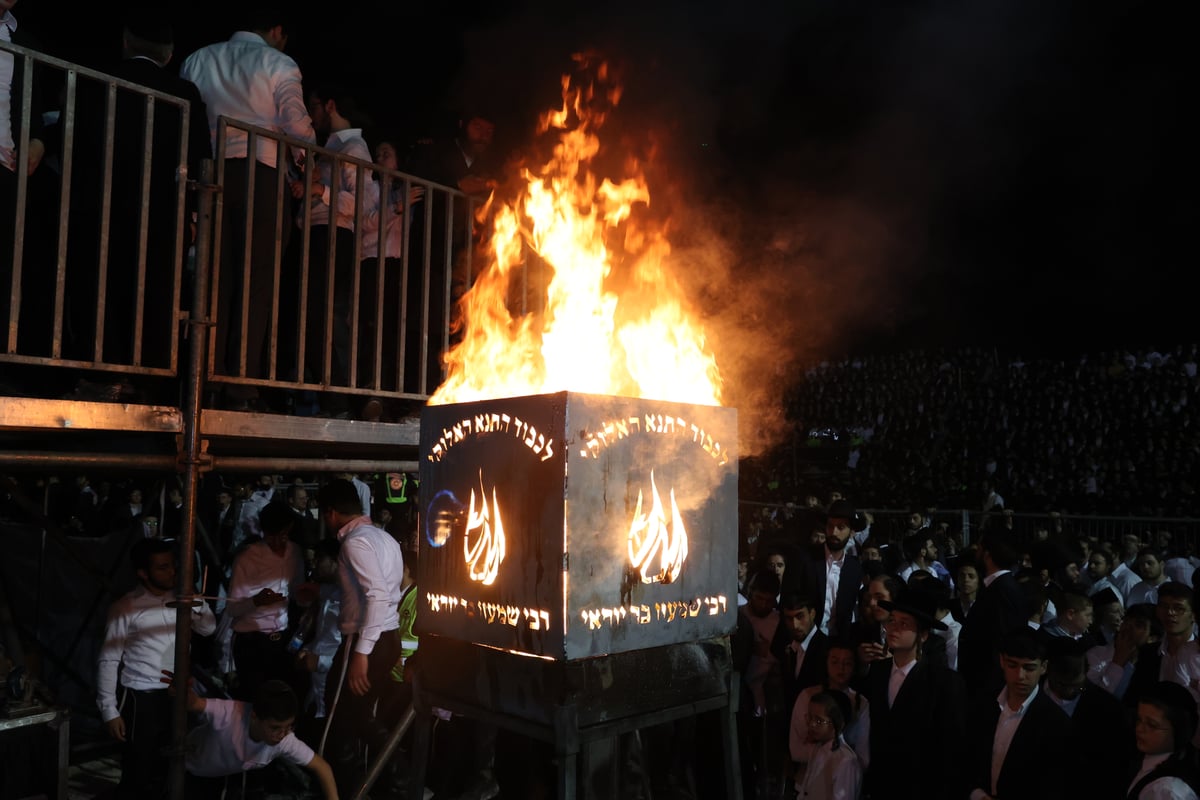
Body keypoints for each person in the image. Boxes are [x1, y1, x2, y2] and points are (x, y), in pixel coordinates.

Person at [179, 3, 316, 405]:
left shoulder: (199, 58)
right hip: (262, 171)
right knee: (257, 278)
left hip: (210, 170)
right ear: (276, 30)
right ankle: (241, 379)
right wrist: (306, 155)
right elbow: (296, 120)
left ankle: (203, 373)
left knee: (210, 274)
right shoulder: (279, 63)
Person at [96, 538, 217, 799]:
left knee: (174, 764)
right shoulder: (126, 606)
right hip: (143, 696)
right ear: (143, 572)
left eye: (172, 566)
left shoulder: (182, 599)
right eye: (162, 567)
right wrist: (109, 710)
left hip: (178, 694)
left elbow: (208, 628)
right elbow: (109, 659)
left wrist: (199, 603)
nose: (171, 572)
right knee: (139, 769)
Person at [319, 477, 405, 797]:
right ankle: (367, 785)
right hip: (384, 637)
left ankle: (394, 778)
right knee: (352, 714)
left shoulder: (355, 542)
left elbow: (378, 596)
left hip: (371, 641)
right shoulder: (382, 537)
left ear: (330, 513)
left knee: (343, 712)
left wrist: (360, 653)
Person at [861, 586, 966, 800]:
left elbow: (949, 750)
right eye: (892, 621)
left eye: (904, 623)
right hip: (882, 787)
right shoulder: (879, 672)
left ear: (923, 635)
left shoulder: (943, 682)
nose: (893, 628)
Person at [180, 678, 339, 800]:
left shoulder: (285, 740)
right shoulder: (228, 713)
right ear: (255, 716)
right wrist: (183, 693)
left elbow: (322, 767)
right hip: (183, 764)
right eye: (275, 727)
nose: (282, 734)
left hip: (216, 778)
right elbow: (194, 703)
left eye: (289, 726)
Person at [965, 631, 1073, 800]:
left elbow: (1053, 785)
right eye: (1012, 665)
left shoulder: (1056, 723)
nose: (1019, 676)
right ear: (1002, 661)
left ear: (1043, 667)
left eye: (1029, 668)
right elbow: (964, 762)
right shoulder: (982, 705)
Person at [227, 500, 307, 701]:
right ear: (263, 531)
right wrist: (256, 601)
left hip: (282, 638)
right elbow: (232, 608)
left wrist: (305, 595)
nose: (279, 542)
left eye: (283, 535)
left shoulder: (294, 552)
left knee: (281, 697)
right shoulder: (247, 557)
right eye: (272, 536)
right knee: (254, 699)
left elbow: (298, 588)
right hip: (252, 642)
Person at [958, 528, 1027, 700]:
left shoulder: (1003, 590)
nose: (977, 553)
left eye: (979, 549)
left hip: (989, 691)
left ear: (987, 554)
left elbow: (1004, 644)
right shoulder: (998, 587)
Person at [791, 641, 871, 776]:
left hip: (844, 776)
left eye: (847, 663)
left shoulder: (861, 702)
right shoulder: (807, 696)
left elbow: (863, 757)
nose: (841, 668)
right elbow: (796, 750)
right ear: (825, 663)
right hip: (809, 777)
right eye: (835, 662)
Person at [796, 499, 866, 639]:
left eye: (840, 527)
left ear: (851, 533)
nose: (833, 532)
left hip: (838, 641)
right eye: (830, 526)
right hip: (806, 639)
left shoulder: (854, 568)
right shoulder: (805, 559)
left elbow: (848, 612)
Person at [1128, 682, 1200, 799]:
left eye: (1152, 725)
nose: (1139, 729)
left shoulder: (1166, 791)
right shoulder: (1150, 754)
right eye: (1138, 719)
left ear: (1179, 731)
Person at [793, 690, 862, 800]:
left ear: (838, 723)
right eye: (810, 717)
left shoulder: (845, 761)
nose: (811, 724)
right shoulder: (817, 749)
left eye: (819, 721)